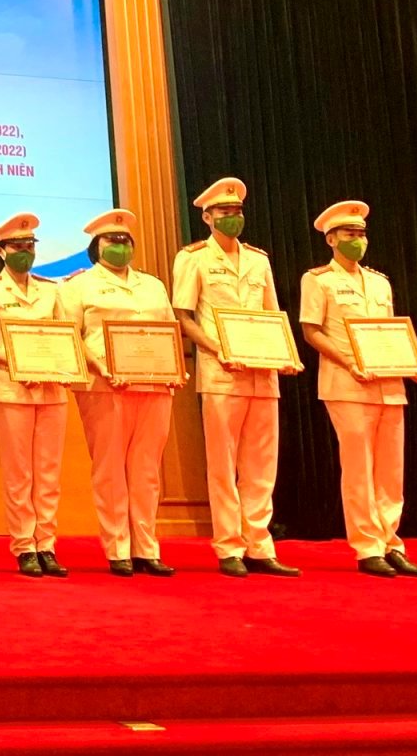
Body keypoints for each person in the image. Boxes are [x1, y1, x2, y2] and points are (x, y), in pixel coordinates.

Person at [297, 200, 417, 579]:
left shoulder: (379, 281)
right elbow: (311, 331)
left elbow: (390, 334)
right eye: (349, 233)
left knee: (391, 470)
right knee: (359, 467)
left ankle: (392, 542)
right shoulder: (318, 280)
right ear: (331, 239)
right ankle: (367, 546)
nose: (357, 239)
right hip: (347, 384)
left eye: (361, 233)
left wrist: (412, 365)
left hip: (389, 384)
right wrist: (349, 361)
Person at [173, 176, 299, 577]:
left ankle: (259, 545)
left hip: (263, 372)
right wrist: (217, 349)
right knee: (223, 464)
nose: (233, 217)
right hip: (222, 372)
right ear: (207, 217)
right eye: (224, 211)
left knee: (262, 464)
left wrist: (286, 356)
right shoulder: (193, 257)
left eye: (237, 211)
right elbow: (183, 317)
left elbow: (273, 315)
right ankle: (229, 546)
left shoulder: (259, 260)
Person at [59, 209, 180, 577]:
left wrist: (175, 368)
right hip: (104, 386)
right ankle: (118, 548)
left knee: (146, 470)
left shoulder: (152, 285)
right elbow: (71, 336)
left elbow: (169, 330)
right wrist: (101, 366)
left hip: (154, 385)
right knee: (110, 468)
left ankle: (146, 547)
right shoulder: (78, 285)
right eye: (112, 240)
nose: (121, 246)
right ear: (96, 246)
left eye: (126, 240)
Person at [0, 213, 68, 578]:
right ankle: (25, 546)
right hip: (11, 389)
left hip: (51, 389)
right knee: (19, 473)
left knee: (48, 472)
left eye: (29, 245)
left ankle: (47, 544)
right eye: (17, 246)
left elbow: (65, 335)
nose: (25, 251)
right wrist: (18, 362)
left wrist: (58, 364)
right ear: (2, 250)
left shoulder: (51, 290)